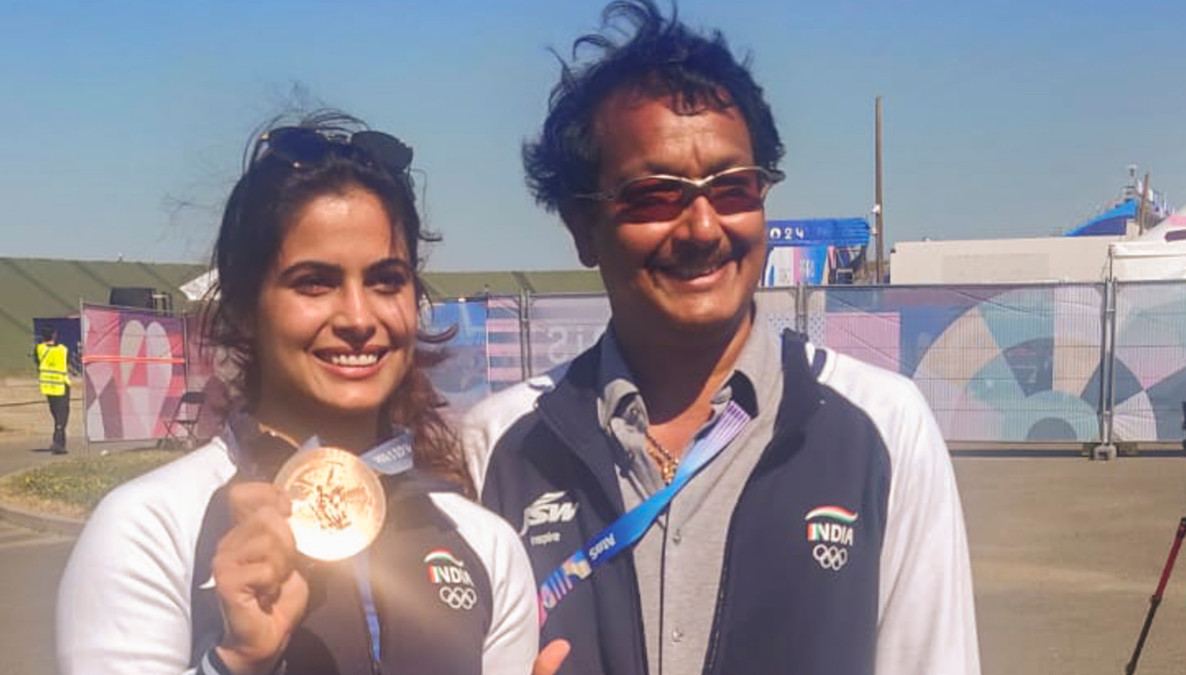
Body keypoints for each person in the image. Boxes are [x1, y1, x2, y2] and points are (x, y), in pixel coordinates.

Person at [461, 2, 981, 674]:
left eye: (733, 188)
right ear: (581, 227)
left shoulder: (882, 427)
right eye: (656, 194)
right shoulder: (496, 450)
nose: (703, 227)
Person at [57, 112, 540, 675]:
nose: (359, 317)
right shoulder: (150, 527)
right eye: (314, 282)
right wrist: (236, 662)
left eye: (387, 280)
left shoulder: (484, 543)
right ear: (243, 306)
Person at [35, 325, 70, 453]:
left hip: (48, 387)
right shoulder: (63, 350)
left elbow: (38, 363)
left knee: (56, 414)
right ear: (54, 335)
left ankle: (58, 440)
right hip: (61, 386)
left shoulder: (39, 349)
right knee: (62, 416)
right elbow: (68, 365)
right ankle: (59, 443)